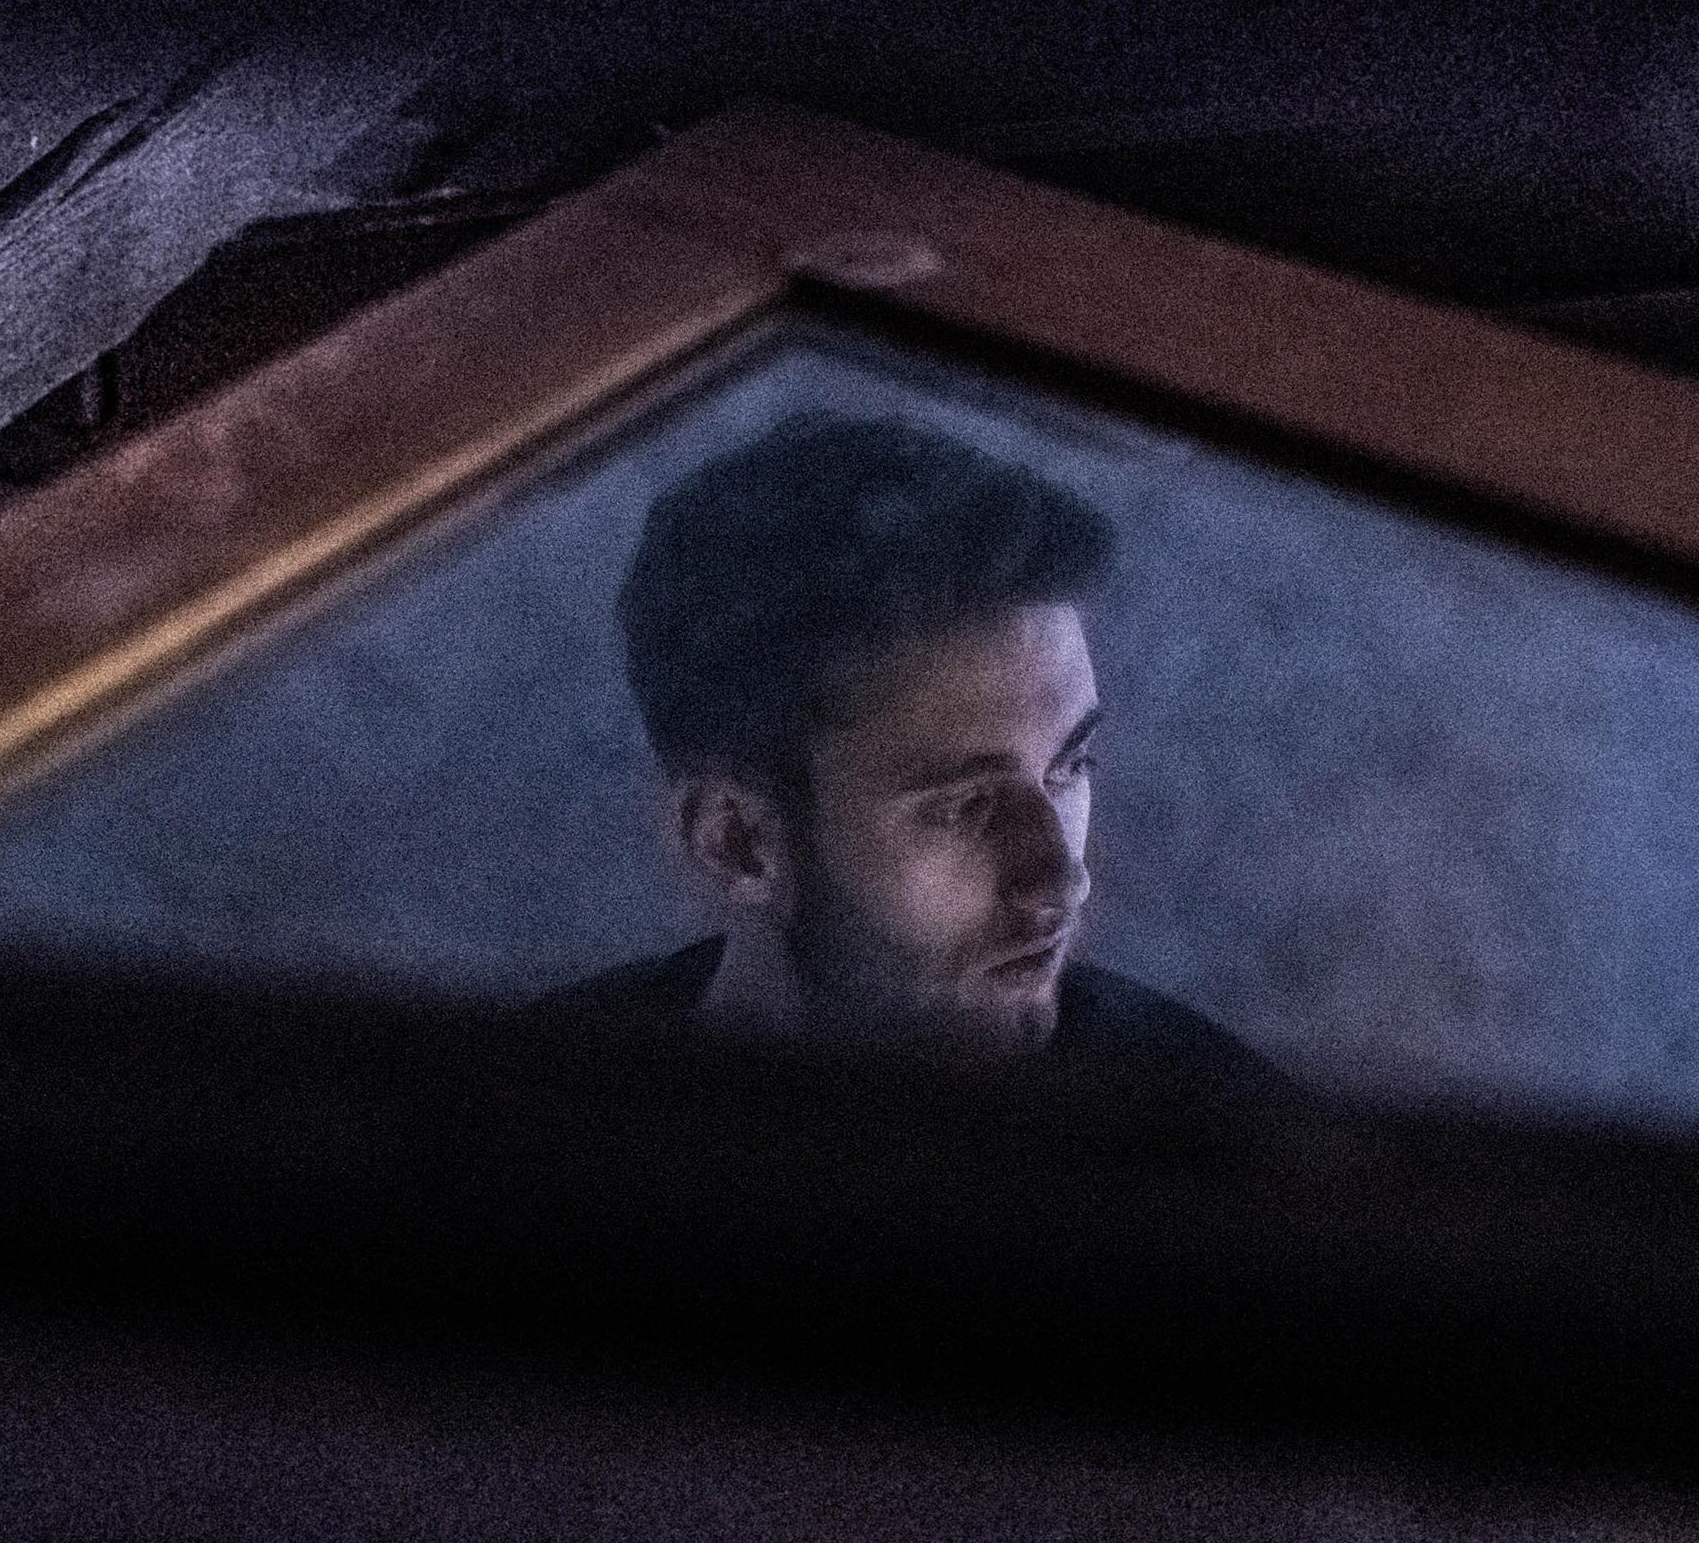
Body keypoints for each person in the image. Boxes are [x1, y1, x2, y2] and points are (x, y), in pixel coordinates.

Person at [551, 417, 1300, 1108]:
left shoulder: (1215, 1134)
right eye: (966, 805)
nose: (1061, 879)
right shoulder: (530, 1114)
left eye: (1071, 766)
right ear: (739, 843)